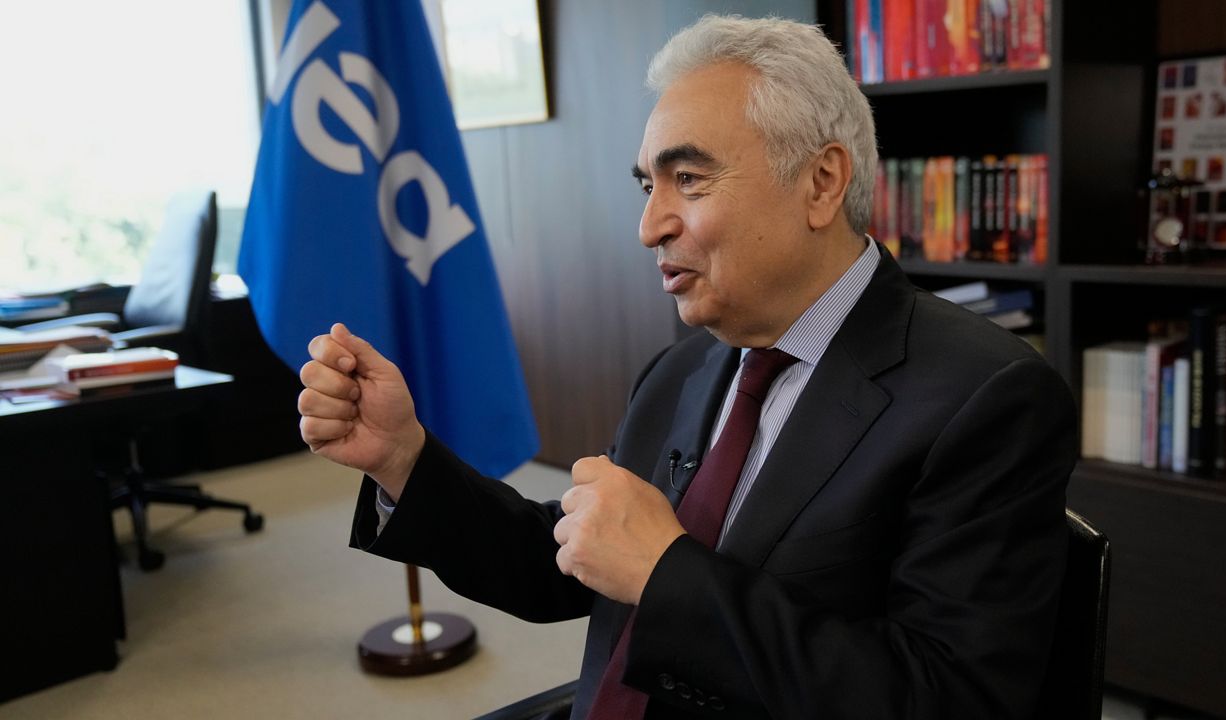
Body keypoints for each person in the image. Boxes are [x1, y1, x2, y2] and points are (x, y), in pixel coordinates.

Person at [298, 14, 1077, 720]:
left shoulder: (986, 398)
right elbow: (570, 561)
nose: (648, 225)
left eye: (689, 179)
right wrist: (406, 460)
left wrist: (666, 574)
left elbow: (945, 699)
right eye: (647, 184)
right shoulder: (681, 371)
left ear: (822, 181)